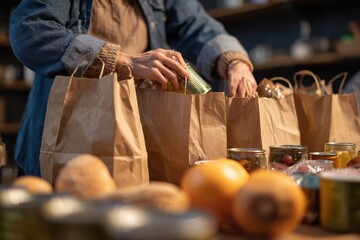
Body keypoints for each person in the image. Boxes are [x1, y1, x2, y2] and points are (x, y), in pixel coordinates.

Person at [10, 0, 257, 176]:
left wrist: (233, 60)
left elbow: (196, 26)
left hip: (139, 131)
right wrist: (124, 61)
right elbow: (30, 29)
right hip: (66, 130)